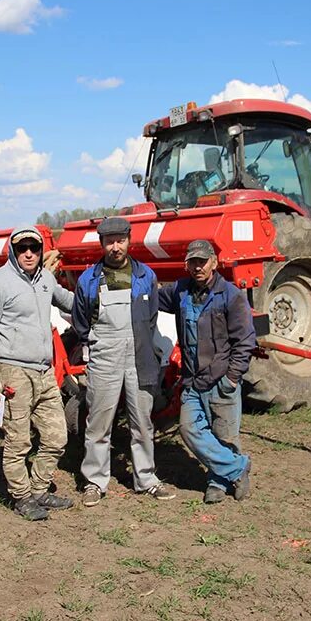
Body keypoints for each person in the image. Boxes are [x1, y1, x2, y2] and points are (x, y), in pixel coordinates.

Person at [72, 217, 176, 507]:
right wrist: (96, 344)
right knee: (99, 422)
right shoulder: (89, 280)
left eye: (120, 240)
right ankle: (94, 481)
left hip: (139, 355)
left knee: (142, 421)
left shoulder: (145, 276)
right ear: (102, 243)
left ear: (129, 241)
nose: (115, 247)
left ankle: (146, 479)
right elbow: (81, 321)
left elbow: (152, 316)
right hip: (104, 356)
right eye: (109, 241)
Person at [0, 225, 77, 520]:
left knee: (57, 436)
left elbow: (68, 301)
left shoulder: (46, 278)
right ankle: (21, 497)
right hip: (13, 371)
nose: (29, 253)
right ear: (13, 251)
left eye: (34, 247)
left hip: (44, 371)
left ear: (41, 249)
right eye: (23, 248)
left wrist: (97, 296)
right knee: (19, 440)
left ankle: (39, 489)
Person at [159, 239, 255, 504]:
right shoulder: (180, 291)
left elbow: (245, 341)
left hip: (222, 379)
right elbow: (150, 298)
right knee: (189, 429)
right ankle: (238, 468)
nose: (197, 267)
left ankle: (217, 482)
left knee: (225, 436)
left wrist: (233, 378)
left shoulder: (231, 296)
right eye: (193, 262)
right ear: (186, 264)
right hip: (192, 380)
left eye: (202, 261)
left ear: (214, 262)